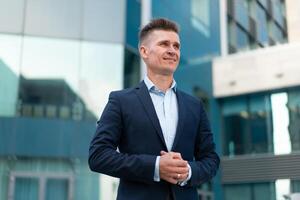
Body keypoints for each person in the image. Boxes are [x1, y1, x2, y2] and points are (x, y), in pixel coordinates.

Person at [88, 18, 220, 200]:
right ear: (144, 51)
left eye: (176, 46)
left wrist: (187, 171)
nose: (172, 51)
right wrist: (156, 166)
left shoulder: (195, 106)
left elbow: (211, 160)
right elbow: (98, 156)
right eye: (164, 44)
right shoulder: (120, 101)